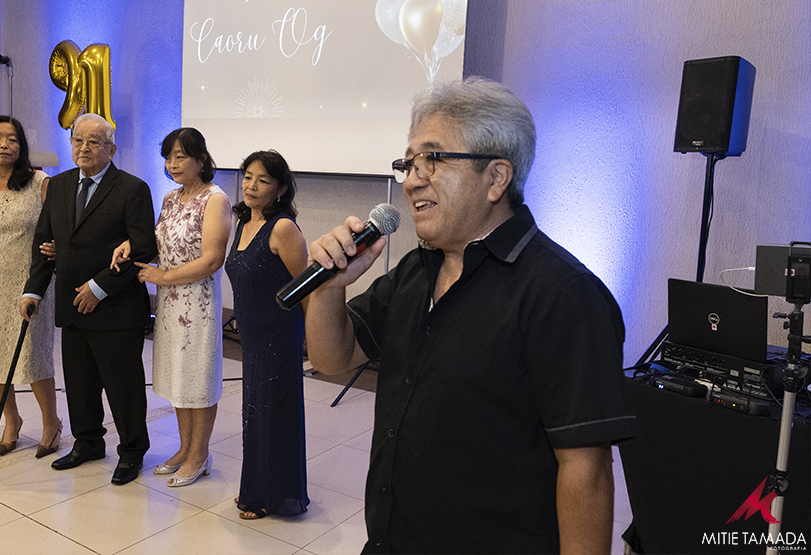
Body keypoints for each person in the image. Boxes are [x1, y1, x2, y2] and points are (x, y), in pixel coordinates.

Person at [304, 77, 639, 554]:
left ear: (497, 178)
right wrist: (329, 288)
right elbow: (332, 359)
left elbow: (586, 468)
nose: (411, 179)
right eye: (409, 162)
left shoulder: (562, 294)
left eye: (433, 159)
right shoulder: (417, 270)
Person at [19, 113, 156, 486]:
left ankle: (132, 452)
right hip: (72, 304)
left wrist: (99, 287)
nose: (84, 147)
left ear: (111, 149)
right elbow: (45, 242)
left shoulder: (132, 188)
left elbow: (143, 247)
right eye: (78, 140)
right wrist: (33, 289)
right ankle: (88, 443)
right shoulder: (60, 185)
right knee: (79, 384)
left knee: (123, 386)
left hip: (115, 306)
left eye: (94, 141)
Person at [112, 127, 231, 488]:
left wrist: (163, 277)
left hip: (197, 305)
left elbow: (212, 260)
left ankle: (200, 454)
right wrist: (130, 244)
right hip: (169, 306)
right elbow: (160, 241)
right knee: (179, 378)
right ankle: (185, 448)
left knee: (199, 380)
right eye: (168, 157)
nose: (172, 164)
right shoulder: (170, 198)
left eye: (181, 156)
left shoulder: (216, 199)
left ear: (200, 159)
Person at [0, 115, 62, 458]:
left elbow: (56, 231)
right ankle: (12, 420)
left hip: (29, 282)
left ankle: (51, 422)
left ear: (21, 146)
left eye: (12, 139)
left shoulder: (39, 183)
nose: (3, 145)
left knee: (34, 355)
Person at [225, 150, 310, 520]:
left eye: (262, 180)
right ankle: (257, 487)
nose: (251, 186)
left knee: (275, 414)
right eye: (247, 177)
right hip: (253, 337)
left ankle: (276, 496)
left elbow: (306, 287)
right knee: (255, 414)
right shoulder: (244, 221)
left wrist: (311, 340)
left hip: (278, 335)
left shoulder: (283, 228)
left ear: (280, 188)